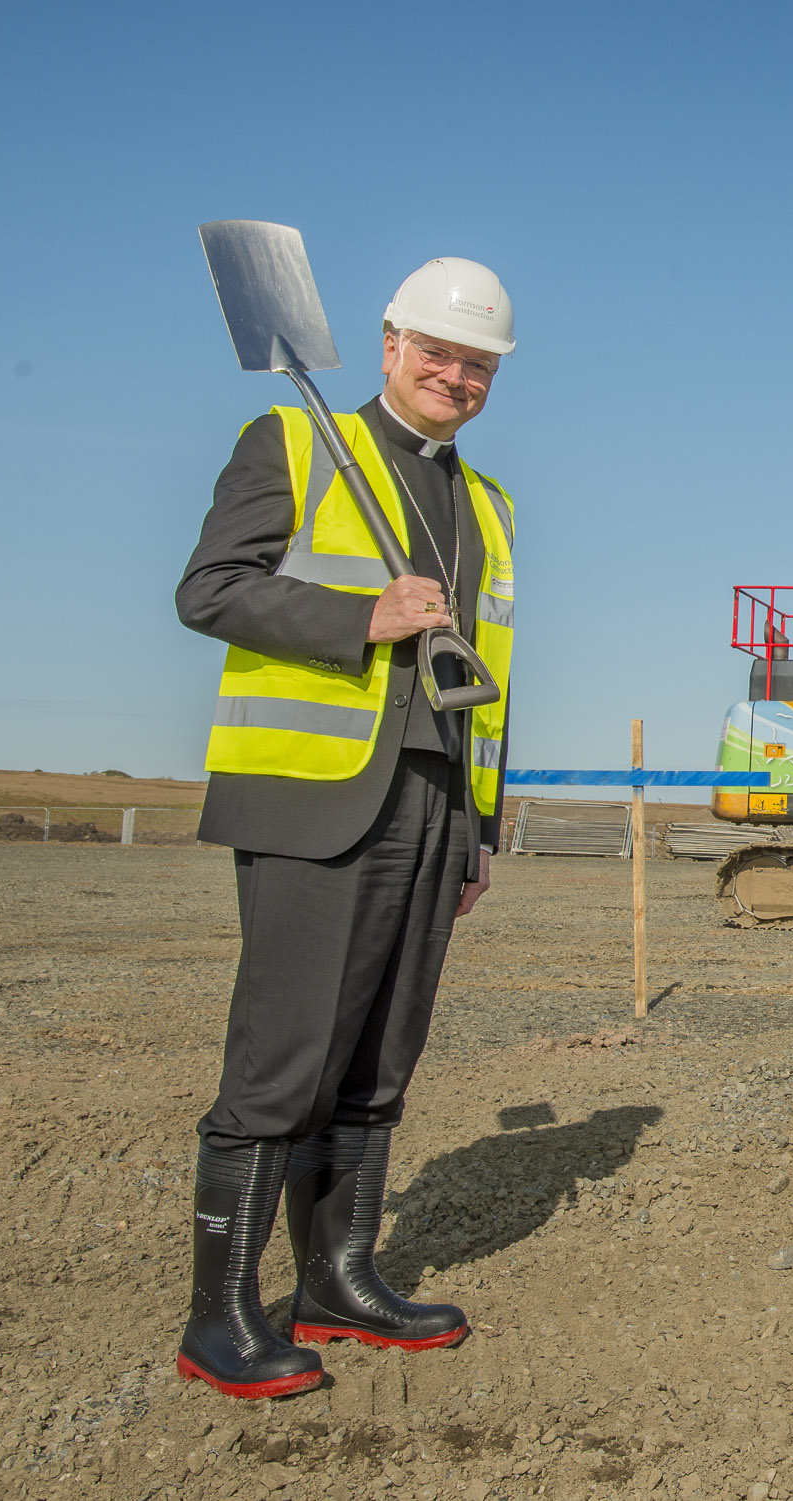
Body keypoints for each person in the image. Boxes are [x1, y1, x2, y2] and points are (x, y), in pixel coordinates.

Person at [171, 257, 520, 1399]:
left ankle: (339, 1277)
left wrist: (476, 825)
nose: (455, 376)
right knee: (285, 1066)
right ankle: (219, 1317)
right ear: (386, 344)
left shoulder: (489, 507)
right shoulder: (295, 440)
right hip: (314, 796)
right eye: (437, 352)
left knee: (378, 1061)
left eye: (476, 364)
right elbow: (211, 587)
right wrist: (360, 615)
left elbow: (489, 681)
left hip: (431, 803)